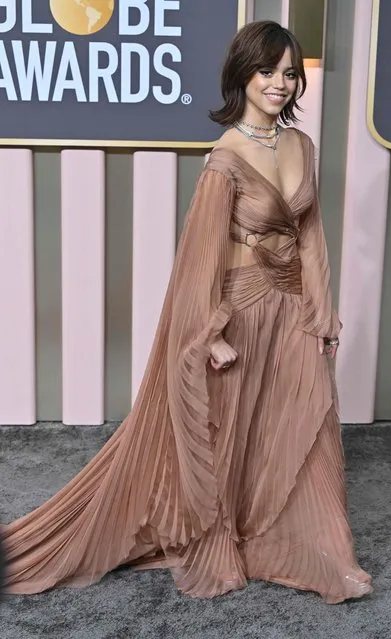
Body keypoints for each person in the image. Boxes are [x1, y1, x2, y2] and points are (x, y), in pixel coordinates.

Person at [3, 21, 372, 604]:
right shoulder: (225, 158)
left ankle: (314, 546)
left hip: (292, 306)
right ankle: (217, 535)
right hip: (242, 307)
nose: (279, 83)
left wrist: (322, 313)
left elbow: (311, 237)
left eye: (288, 72)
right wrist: (209, 331)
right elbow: (199, 259)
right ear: (242, 76)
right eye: (267, 71)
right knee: (227, 433)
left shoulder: (302, 146)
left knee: (303, 427)